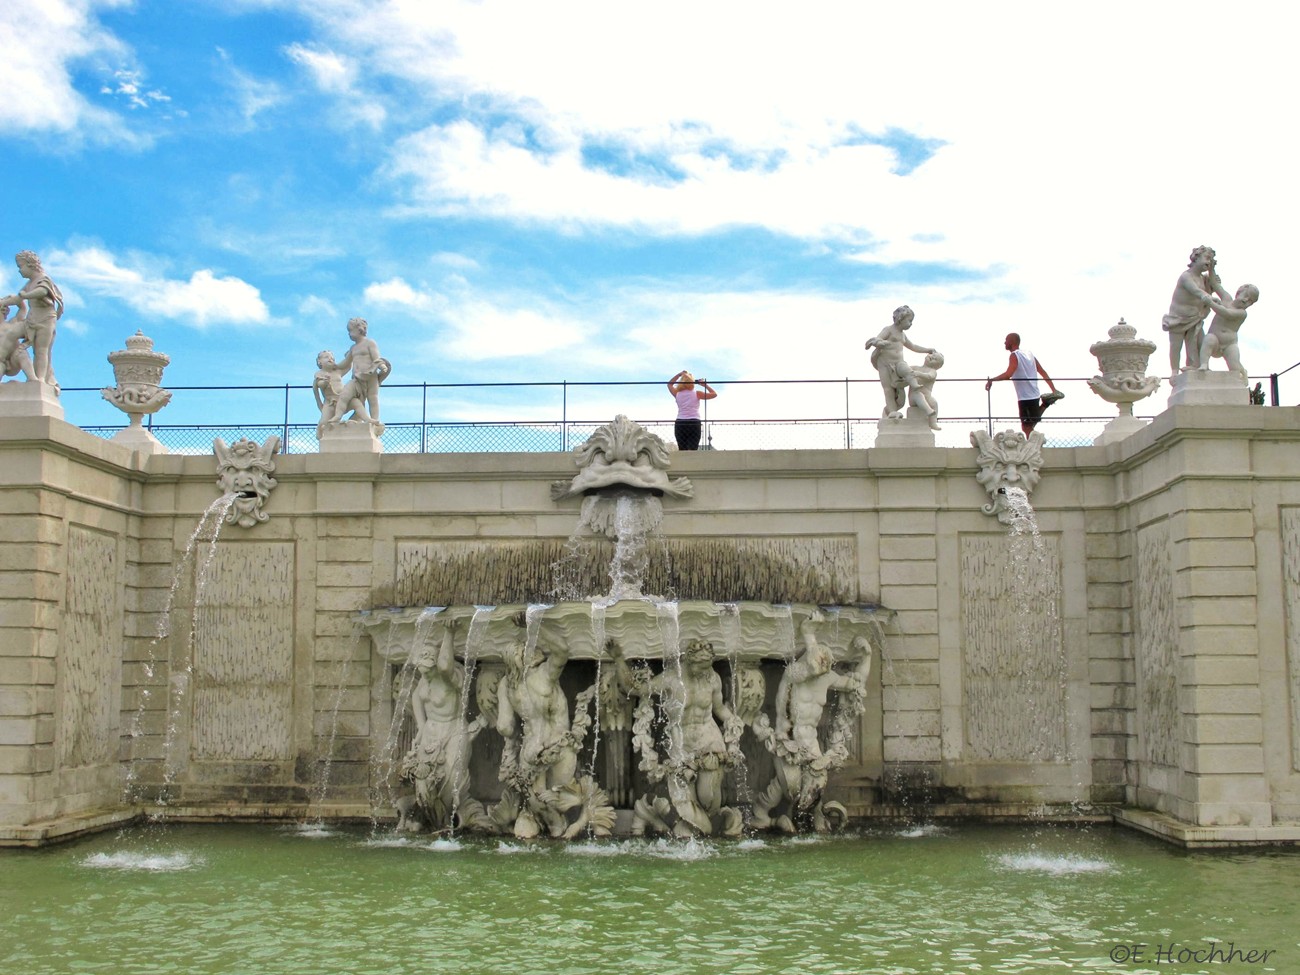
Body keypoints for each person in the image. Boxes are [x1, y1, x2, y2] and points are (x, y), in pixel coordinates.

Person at [496, 612, 579, 836]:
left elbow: (504, 726)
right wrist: (534, 626)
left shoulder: (506, 684)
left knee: (538, 801)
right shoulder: (544, 675)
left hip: (530, 750)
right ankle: (558, 829)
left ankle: (543, 825)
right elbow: (562, 649)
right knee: (555, 797)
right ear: (528, 657)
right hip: (557, 745)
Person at [399, 619, 482, 830]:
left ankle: (450, 820)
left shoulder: (449, 677)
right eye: (422, 657)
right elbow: (417, 698)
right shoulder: (425, 677)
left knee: (451, 780)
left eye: (429, 658)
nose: (425, 663)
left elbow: (445, 665)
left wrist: (449, 632)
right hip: (430, 733)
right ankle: (432, 819)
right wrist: (420, 727)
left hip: (453, 730)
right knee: (424, 782)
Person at [0, 251, 62, 389]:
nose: (19, 270)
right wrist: (3, 303)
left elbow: (43, 291)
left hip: (45, 320)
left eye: (20, 266)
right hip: (32, 319)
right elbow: (17, 298)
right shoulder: (29, 284)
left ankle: (39, 379)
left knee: (41, 350)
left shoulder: (43, 279)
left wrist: (27, 295)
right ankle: (2, 358)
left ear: (30, 265)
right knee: (11, 332)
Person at [863, 305, 936, 420]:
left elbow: (913, 346)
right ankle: (892, 411)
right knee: (888, 389)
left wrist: (927, 350)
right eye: (909, 321)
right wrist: (879, 343)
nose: (911, 324)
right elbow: (877, 339)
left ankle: (913, 385)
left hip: (899, 364)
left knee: (901, 396)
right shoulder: (888, 330)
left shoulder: (902, 335)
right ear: (900, 319)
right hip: (885, 365)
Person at [985, 333, 1063, 436]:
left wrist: (992, 380)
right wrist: (1053, 389)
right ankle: (1045, 403)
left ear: (1011, 342)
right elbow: (1042, 372)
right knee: (1031, 422)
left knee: (1026, 427)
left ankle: (1032, 447)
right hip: (1034, 393)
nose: (1004, 342)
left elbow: (1008, 374)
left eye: (1006, 340)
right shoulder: (1029, 354)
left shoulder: (1014, 355)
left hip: (1024, 397)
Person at [1162, 245, 1215, 377]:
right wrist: (1207, 296)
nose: (1208, 262)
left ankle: (1197, 366)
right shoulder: (1186, 276)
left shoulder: (1203, 279)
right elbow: (1197, 292)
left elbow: (1211, 289)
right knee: (1176, 346)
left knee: (1201, 344)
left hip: (1195, 318)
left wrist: (1213, 271)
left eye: (1211, 260)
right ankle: (1174, 371)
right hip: (1178, 318)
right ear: (1196, 258)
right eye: (1207, 258)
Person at [331, 318, 388, 431]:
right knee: (345, 395)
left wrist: (382, 366)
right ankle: (338, 416)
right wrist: (336, 366)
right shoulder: (353, 348)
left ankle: (374, 422)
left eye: (350, 330)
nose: (349, 334)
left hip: (370, 376)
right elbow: (346, 362)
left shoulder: (370, 343)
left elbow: (376, 357)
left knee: (373, 398)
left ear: (359, 329)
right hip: (357, 378)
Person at [1198, 278, 1258, 379]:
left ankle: (1242, 372)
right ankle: (1204, 365)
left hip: (1229, 344)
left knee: (1234, 366)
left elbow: (1226, 313)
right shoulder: (1226, 299)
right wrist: (1211, 267)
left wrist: (1211, 303)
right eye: (1246, 296)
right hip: (1215, 340)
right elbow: (1216, 285)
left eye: (1250, 301)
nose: (1246, 300)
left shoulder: (1242, 313)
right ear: (1238, 293)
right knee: (1209, 339)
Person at [666, 369, 717, 450]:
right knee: (693, 449)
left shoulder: (677, 394)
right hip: (694, 422)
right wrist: (705, 385)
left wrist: (680, 374)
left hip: (680, 423)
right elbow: (714, 394)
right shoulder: (697, 393)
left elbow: (669, 384)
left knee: (682, 450)